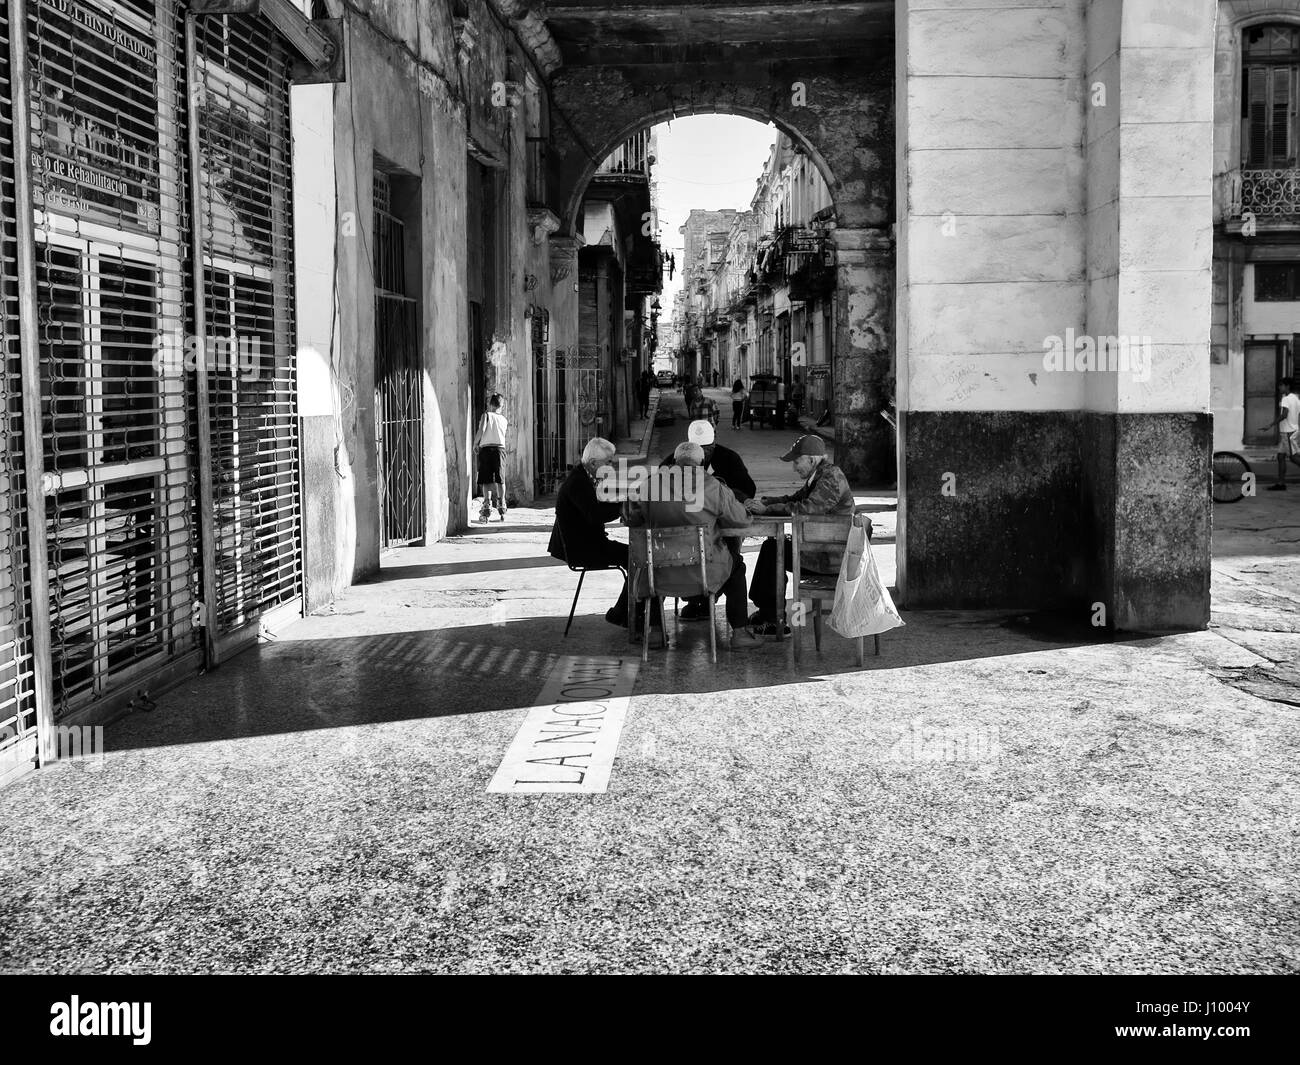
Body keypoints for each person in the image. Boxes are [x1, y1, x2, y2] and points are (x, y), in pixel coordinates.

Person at [623, 442, 758, 646]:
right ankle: (739, 633)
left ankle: (656, 631)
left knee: (651, 564)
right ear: (702, 462)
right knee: (736, 565)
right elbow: (741, 520)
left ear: (675, 461)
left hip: (659, 576)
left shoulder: (649, 485)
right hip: (704, 574)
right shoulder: (714, 486)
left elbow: (630, 517)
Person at [745, 434, 855, 636]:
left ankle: (773, 620)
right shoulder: (820, 475)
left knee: (773, 549)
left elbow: (806, 508)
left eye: (797, 462)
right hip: (818, 549)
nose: (794, 467)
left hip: (828, 558)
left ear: (811, 460)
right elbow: (795, 498)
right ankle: (768, 613)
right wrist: (767, 502)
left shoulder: (830, 478)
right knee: (773, 546)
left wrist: (768, 510)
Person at [661, 420, 757, 621]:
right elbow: (742, 519)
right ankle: (737, 629)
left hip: (672, 557)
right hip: (693, 546)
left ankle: (653, 624)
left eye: (707, 448)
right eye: (699, 449)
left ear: (714, 445)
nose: (703, 454)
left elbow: (747, 491)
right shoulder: (715, 487)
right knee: (731, 563)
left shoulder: (728, 462)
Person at [548, 438, 634, 627]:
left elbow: (598, 505)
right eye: (608, 462)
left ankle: (625, 611)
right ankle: (623, 613)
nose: (611, 465)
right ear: (594, 463)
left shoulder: (587, 476)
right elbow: (594, 514)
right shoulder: (578, 481)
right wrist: (621, 508)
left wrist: (620, 503)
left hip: (588, 541)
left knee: (637, 557)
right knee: (637, 559)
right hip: (580, 549)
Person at [473, 393, 508, 522]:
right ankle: (502, 503)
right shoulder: (504, 419)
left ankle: (487, 504)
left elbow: (481, 430)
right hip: (500, 450)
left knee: (486, 479)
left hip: (486, 449)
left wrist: (475, 443)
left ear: (490, 404)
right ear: (501, 406)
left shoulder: (486, 415)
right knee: (500, 478)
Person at [1260, 377, 1300, 490]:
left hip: (1288, 432)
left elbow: (1284, 415)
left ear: (1287, 386)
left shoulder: (1286, 399)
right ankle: (1281, 483)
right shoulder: (1296, 398)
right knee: (1280, 456)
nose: (1279, 387)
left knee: (1293, 457)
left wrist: (1270, 425)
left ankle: (1281, 483)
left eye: (1281, 385)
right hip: (1291, 430)